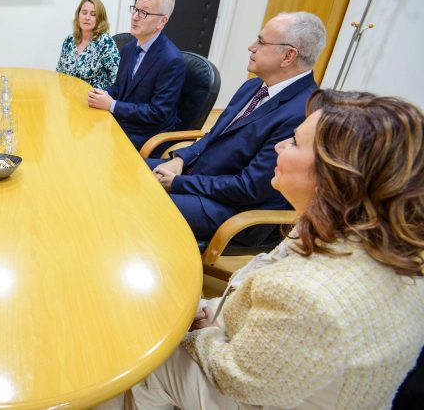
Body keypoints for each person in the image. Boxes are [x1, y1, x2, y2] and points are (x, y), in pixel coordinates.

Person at [99, 89, 424, 409]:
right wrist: (207, 313)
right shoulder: (346, 227)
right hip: (272, 360)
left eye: (294, 142)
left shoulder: (309, 295)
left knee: (142, 360)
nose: (280, 146)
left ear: (335, 176)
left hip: (256, 393)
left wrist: (200, 332)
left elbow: (239, 380)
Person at [148, 12, 322, 245]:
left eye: (261, 42)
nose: (251, 47)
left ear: (288, 56)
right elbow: (213, 135)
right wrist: (180, 160)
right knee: (127, 171)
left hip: (234, 209)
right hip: (201, 177)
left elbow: (249, 188)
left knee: (141, 202)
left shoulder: (303, 111)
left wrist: (179, 183)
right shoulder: (253, 86)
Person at [88, 0, 185, 151]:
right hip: (123, 121)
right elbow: (119, 87)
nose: (135, 17)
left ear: (162, 21)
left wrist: (112, 105)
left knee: (93, 147)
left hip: (146, 134)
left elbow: (158, 112)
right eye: (135, 9)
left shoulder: (172, 60)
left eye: (144, 13)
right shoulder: (129, 48)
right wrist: (101, 94)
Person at [56, 0, 120, 90]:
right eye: (84, 13)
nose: (87, 17)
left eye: (93, 14)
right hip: (67, 95)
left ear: (100, 19)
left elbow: (116, 78)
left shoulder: (105, 42)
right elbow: (60, 72)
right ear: (78, 15)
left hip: (91, 97)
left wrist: (104, 95)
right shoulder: (69, 40)